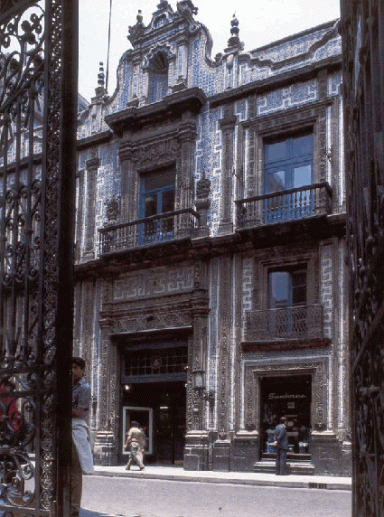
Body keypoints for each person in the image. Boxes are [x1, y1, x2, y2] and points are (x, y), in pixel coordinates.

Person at [71, 357, 94, 517]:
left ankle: (73, 508)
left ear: (83, 370)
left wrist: (63, 405)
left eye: (75, 367)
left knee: (75, 470)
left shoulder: (85, 387)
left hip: (75, 429)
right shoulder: (66, 385)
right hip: (62, 430)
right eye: (70, 368)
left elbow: (80, 412)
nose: (72, 371)